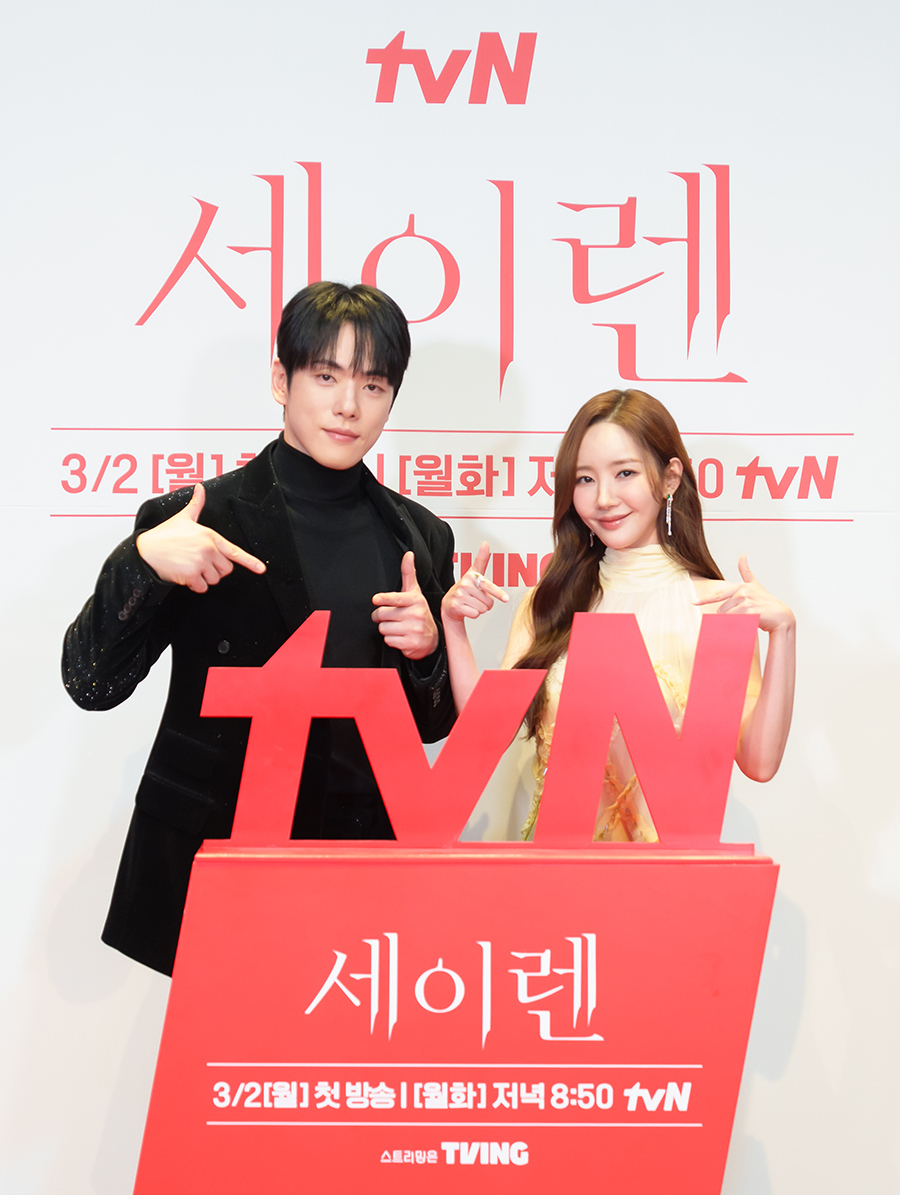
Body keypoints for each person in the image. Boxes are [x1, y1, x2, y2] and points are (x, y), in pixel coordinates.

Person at [62, 282, 457, 974]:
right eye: (326, 376)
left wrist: (427, 653)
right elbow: (92, 683)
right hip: (224, 849)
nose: (348, 405)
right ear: (281, 379)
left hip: (362, 861)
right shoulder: (196, 519)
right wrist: (143, 561)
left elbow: (433, 726)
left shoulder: (420, 536)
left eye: (372, 385)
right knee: (227, 1044)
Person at [441, 388, 795, 841]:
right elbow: (484, 735)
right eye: (585, 479)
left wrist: (784, 635)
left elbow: (759, 761)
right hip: (554, 871)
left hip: (665, 878)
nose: (604, 498)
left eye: (624, 473)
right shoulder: (547, 604)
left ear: (670, 478)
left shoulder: (716, 609)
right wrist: (454, 627)